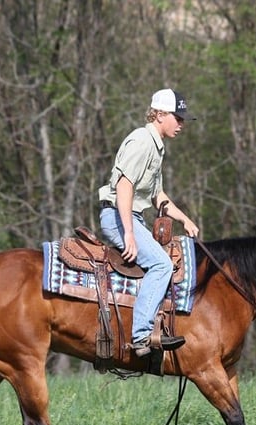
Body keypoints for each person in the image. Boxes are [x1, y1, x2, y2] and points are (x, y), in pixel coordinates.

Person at [97, 88, 200, 357]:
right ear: (159, 114)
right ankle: (141, 336)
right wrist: (129, 233)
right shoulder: (142, 141)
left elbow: (158, 196)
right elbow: (124, 185)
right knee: (161, 263)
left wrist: (185, 219)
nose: (181, 124)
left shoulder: (157, 146)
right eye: (178, 118)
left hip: (132, 216)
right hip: (120, 216)